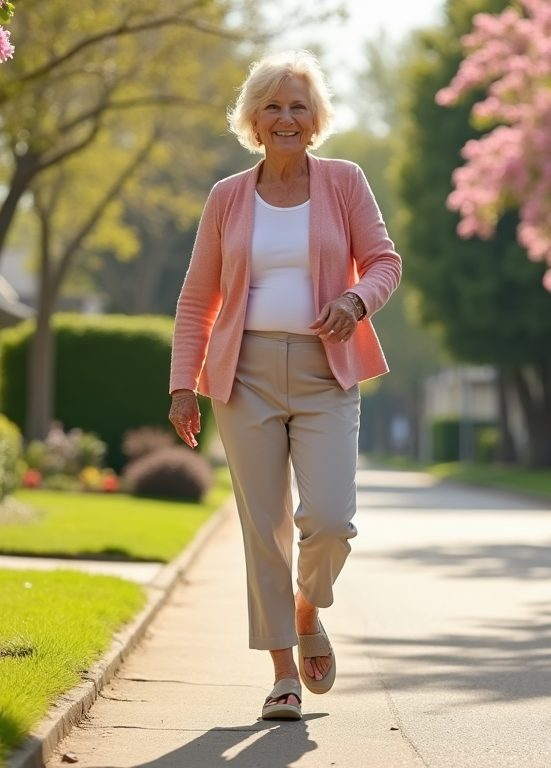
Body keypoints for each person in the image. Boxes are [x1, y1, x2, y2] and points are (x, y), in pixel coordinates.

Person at [168, 50, 401, 722]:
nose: (286, 118)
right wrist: (184, 383)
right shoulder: (227, 197)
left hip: (327, 369)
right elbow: (197, 297)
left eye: (298, 105)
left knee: (330, 521)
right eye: (272, 106)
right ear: (253, 119)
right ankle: (281, 676)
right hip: (244, 376)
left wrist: (356, 301)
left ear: (315, 118)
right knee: (264, 528)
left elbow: (384, 260)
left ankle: (306, 611)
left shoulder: (346, 182)